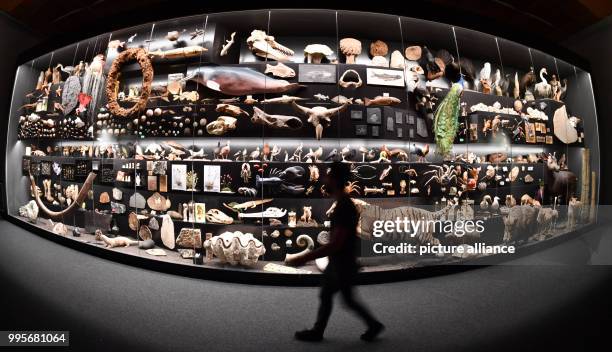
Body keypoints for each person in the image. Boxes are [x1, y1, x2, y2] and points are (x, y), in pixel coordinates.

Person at [286, 162, 384, 342]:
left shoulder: (344, 207)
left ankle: (321, 331)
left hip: (342, 262)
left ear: (335, 180)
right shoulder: (342, 204)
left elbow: (336, 243)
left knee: (341, 298)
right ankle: (371, 325)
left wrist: (305, 257)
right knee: (336, 296)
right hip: (341, 261)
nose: (325, 179)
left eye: (329, 176)